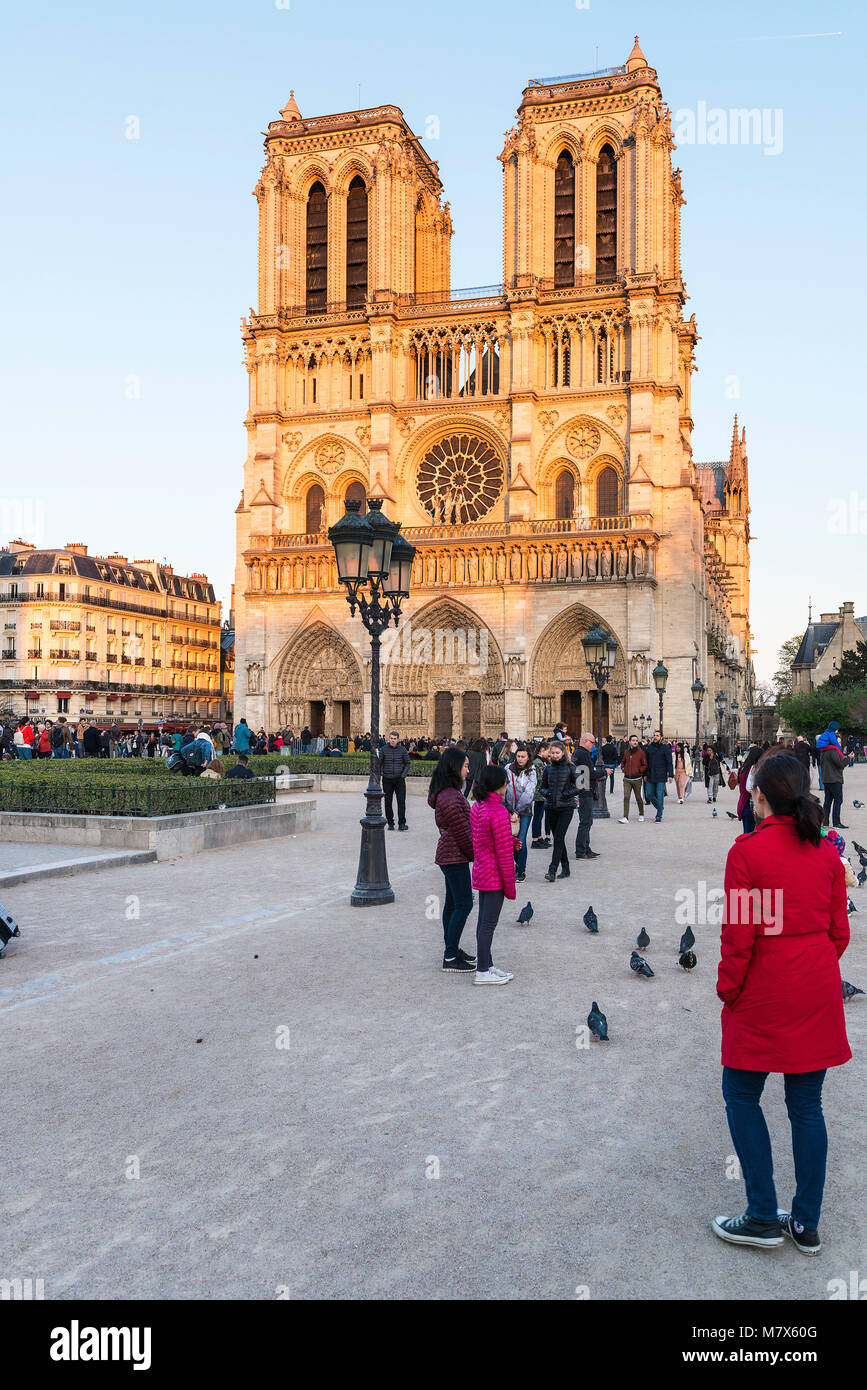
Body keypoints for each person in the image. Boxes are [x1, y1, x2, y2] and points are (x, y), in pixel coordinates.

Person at [713, 752, 850, 1254]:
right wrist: (809, 960)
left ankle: (762, 1215)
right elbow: (840, 933)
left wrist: (730, 988)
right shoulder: (825, 854)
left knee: (742, 1096)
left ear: (761, 797)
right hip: (814, 984)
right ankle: (806, 1224)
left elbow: (739, 934)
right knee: (807, 1107)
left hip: (762, 987)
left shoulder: (747, 851)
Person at [428, 747, 476, 973]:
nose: (468, 770)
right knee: (465, 903)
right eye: (465, 766)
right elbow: (462, 832)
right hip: (454, 855)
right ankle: (449, 956)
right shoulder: (451, 796)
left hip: (450, 855)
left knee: (452, 903)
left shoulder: (447, 793)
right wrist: (476, 855)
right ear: (455, 768)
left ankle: (452, 947)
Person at [469, 765, 516, 985]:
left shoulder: (478, 807)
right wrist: (510, 886)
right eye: (505, 781)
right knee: (489, 924)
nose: (507, 784)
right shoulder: (498, 812)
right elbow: (504, 856)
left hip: (481, 870)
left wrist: (510, 839)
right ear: (498, 785)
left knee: (482, 922)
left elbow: (485, 839)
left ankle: (486, 963)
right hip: (495, 874)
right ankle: (482, 972)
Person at [540, 740, 579, 881]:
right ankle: (566, 867)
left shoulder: (571, 767)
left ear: (563, 753)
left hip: (566, 808)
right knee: (558, 838)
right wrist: (548, 794)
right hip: (550, 807)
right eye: (553, 753)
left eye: (557, 753)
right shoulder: (548, 769)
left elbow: (581, 785)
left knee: (558, 838)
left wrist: (564, 794)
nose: (555, 755)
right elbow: (541, 788)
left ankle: (552, 870)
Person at [504, 744, 536, 882]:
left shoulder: (531, 771)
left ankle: (521, 870)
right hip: (508, 810)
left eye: (523, 757)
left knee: (520, 840)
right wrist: (507, 810)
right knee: (510, 841)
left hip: (524, 811)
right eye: (518, 756)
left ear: (528, 758)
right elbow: (503, 788)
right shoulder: (507, 769)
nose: (520, 759)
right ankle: (515, 867)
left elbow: (529, 794)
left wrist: (517, 812)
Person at [572, 731, 600, 860]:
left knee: (587, 821)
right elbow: (588, 774)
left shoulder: (580, 753)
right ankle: (581, 851)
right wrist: (603, 772)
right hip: (584, 791)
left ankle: (586, 849)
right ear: (585, 741)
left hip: (583, 789)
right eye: (592, 742)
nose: (593, 745)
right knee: (585, 822)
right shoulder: (582, 754)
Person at [378, 730, 411, 831]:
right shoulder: (383, 749)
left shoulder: (403, 750)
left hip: (399, 779)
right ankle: (390, 823)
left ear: (398, 740)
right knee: (388, 802)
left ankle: (401, 824)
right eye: (391, 738)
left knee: (401, 802)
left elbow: (407, 763)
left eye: (394, 739)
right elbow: (378, 763)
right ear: (389, 739)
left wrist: (403, 775)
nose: (392, 740)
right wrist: (381, 773)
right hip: (387, 779)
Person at [644, 730, 674, 822]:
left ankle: (659, 815)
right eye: (654, 735)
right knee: (648, 794)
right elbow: (646, 762)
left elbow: (669, 762)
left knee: (660, 794)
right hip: (650, 774)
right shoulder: (649, 748)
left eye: (657, 735)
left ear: (661, 737)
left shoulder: (665, 748)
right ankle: (660, 807)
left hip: (661, 775)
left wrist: (671, 775)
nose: (655, 737)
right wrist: (644, 774)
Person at [819, 736, 847, 830]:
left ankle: (825, 822)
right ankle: (836, 823)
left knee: (827, 801)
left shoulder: (823, 751)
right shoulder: (834, 752)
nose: (839, 744)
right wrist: (848, 758)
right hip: (834, 779)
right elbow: (841, 765)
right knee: (838, 800)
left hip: (826, 779)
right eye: (838, 742)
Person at [736, 744, 763, 835]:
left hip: (743, 802)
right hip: (749, 804)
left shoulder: (745, 767)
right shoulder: (752, 770)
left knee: (747, 833)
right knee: (749, 835)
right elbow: (749, 788)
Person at [530, 741, 551, 848]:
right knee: (538, 817)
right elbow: (541, 778)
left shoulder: (540, 761)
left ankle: (538, 837)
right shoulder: (538, 762)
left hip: (540, 794)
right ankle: (535, 839)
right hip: (539, 794)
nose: (549, 754)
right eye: (548, 751)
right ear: (542, 750)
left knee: (539, 816)